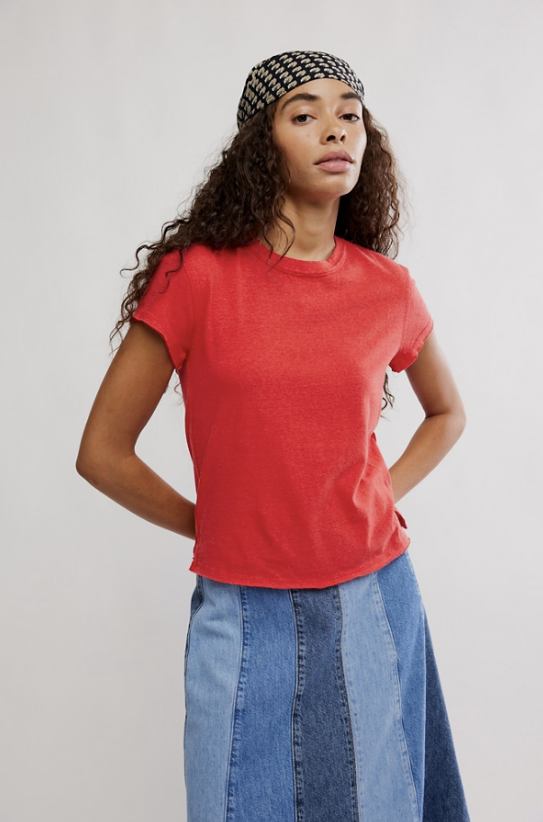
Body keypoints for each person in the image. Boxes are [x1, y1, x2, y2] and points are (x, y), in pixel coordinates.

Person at [76, 50, 471, 822]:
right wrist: (212, 521)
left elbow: (447, 413)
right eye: (304, 113)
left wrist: (379, 489)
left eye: (350, 113)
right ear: (263, 143)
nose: (336, 128)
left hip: (372, 595)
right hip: (242, 608)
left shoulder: (384, 288)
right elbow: (102, 452)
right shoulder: (196, 277)